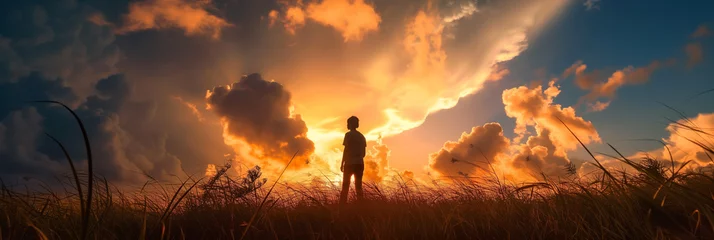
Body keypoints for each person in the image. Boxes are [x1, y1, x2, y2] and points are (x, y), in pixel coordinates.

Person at [339, 116, 366, 205]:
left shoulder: (348, 135)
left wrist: (342, 163)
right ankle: (360, 205)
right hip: (360, 164)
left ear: (350, 124)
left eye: (348, 123)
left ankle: (342, 207)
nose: (347, 125)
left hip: (349, 163)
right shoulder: (362, 136)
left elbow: (346, 150)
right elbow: (363, 154)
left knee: (345, 187)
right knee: (359, 187)